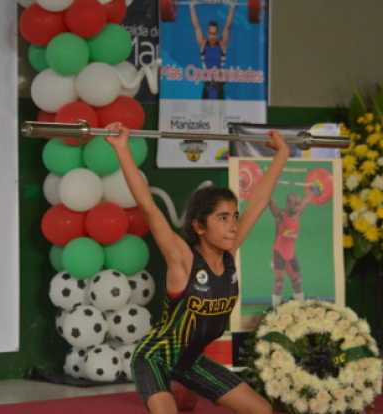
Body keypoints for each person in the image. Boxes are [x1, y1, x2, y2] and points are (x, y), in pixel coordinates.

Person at [105, 122, 289, 414]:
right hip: (155, 359)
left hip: (191, 362)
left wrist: (281, 154)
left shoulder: (230, 250)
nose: (233, 226)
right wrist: (122, 149)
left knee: (263, 410)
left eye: (234, 217)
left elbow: (259, 201)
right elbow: (148, 207)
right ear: (200, 226)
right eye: (223, 218)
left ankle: (183, 391)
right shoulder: (183, 259)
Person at [268, 191, 312, 306]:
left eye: (298, 204)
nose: (298, 206)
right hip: (279, 253)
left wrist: (316, 189)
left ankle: (301, 306)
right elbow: (269, 200)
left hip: (291, 254)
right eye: (295, 204)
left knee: (297, 281)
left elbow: (307, 198)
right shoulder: (280, 216)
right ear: (288, 203)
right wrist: (266, 191)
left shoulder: (297, 213)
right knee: (279, 283)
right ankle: (275, 309)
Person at [189, 0, 235, 99]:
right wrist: (191, 7)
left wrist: (232, 7)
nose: (212, 36)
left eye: (214, 33)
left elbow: (227, 27)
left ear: (217, 33)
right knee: (204, 114)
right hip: (207, 87)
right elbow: (196, 26)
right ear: (207, 33)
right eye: (210, 33)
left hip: (219, 88)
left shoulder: (222, 44)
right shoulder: (203, 43)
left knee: (221, 114)